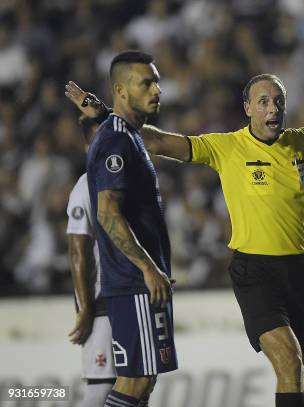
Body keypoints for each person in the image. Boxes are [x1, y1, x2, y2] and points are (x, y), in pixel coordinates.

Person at [66, 72, 304, 407]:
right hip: (254, 270)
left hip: (299, 270)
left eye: (278, 101)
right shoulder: (227, 147)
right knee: (289, 361)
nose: (273, 108)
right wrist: (104, 113)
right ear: (247, 107)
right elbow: (157, 140)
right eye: (263, 101)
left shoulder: (303, 141)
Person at [70, 50, 176, 407]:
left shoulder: (127, 135)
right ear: (121, 89)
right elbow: (108, 214)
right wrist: (148, 268)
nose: (157, 89)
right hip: (133, 283)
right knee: (136, 381)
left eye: (157, 81)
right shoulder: (116, 141)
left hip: (139, 282)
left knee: (141, 383)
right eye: (146, 82)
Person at [67, 115, 116, 407]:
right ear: (87, 147)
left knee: (137, 385)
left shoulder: (131, 181)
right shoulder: (86, 187)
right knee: (101, 388)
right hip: (101, 301)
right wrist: (85, 307)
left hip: (131, 296)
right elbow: (77, 251)